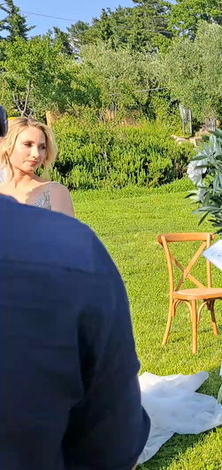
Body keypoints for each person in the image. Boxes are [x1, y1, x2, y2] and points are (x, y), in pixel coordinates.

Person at [0, 196, 150, 469]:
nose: (35, 153)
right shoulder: (76, 253)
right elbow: (110, 450)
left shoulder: (56, 203)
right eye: (28, 147)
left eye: (42, 148)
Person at [0, 117, 74, 217]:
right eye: (28, 144)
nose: (37, 154)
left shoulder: (55, 192)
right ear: (6, 145)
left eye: (42, 147)